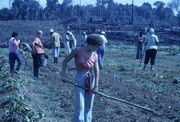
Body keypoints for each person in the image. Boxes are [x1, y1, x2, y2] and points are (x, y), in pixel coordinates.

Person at [61, 34, 103, 122]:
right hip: (79, 79)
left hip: (90, 79)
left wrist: (96, 86)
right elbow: (65, 61)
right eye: (96, 46)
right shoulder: (78, 51)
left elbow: (96, 71)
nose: (97, 48)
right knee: (80, 105)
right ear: (91, 44)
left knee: (88, 105)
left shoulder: (95, 55)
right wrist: (63, 75)